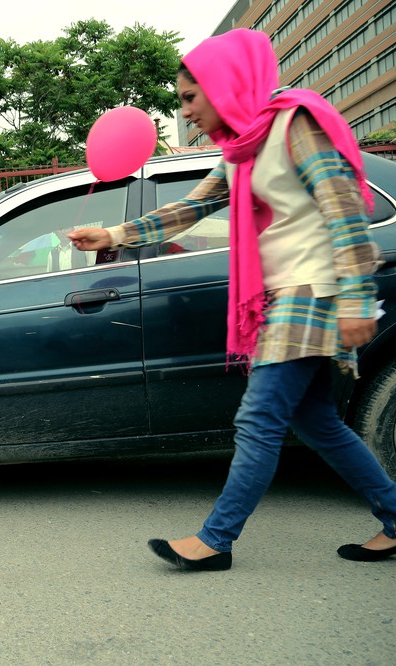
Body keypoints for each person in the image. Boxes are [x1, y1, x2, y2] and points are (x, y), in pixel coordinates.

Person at [69, 29, 396, 570]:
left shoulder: (294, 125)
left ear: (224, 87)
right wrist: (115, 236)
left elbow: (343, 209)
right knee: (317, 421)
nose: (187, 112)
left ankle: (216, 540)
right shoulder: (242, 147)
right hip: (282, 294)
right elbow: (188, 210)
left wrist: (358, 299)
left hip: (312, 291)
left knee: (259, 418)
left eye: (190, 99)